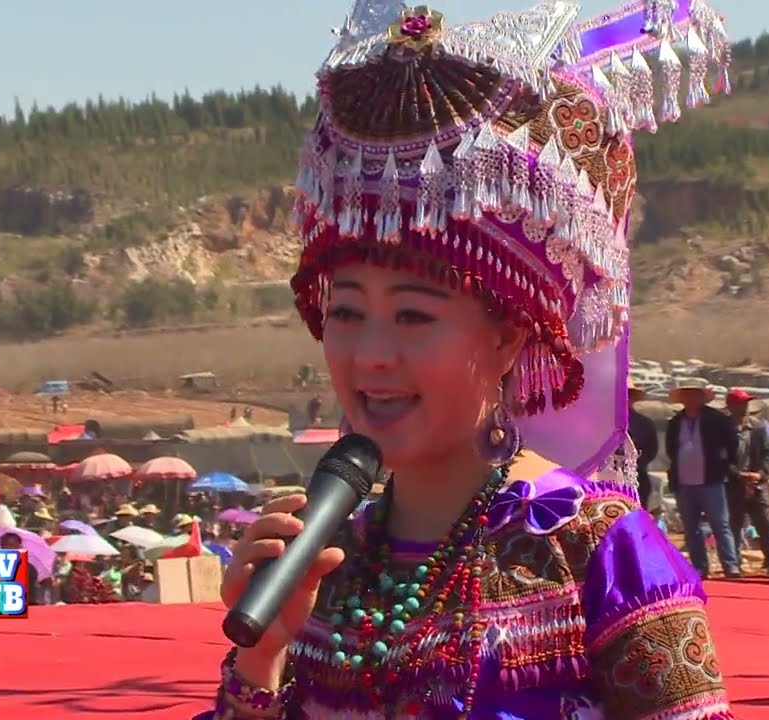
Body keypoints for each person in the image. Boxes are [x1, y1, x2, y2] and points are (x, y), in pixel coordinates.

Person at [197, 1, 738, 717]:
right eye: (347, 313)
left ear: (509, 336)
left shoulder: (597, 552)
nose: (370, 357)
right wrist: (261, 656)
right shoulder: (333, 558)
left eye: (414, 316)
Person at [666, 379, 741, 578]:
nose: (690, 399)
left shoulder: (717, 419)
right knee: (691, 528)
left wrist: (724, 465)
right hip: (684, 482)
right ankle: (700, 567)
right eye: (686, 395)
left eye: (694, 395)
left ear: (702, 397)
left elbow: (733, 445)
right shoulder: (675, 423)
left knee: (720, 525)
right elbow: (670, 451)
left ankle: (731, 565)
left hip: (711, 480)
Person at [725, 389, 769, 575]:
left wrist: (760, 474)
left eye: (746, 403)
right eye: (740, 404)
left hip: (757, 482)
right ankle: (735, 562)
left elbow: (767, 454)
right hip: (734, 483)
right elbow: (720, 458)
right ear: (731, 406)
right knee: (734, 525)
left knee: (765, 523)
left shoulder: (758, 428)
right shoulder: (724, 429)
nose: (744, 407)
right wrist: (738, 474)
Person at [627, 378, 658, 511]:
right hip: (607, 483)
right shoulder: (603, 422)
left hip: (638, 479)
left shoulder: (644, 423)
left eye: (628, 395)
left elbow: (652, 449)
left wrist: (637, 462)